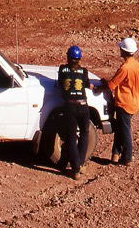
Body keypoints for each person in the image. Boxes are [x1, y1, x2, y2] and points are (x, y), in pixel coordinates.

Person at [97, 37, 139, 166]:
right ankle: (115, 155)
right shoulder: (137, 65)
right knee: (120, 128)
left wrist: (99, 87)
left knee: (124, 130)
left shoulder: (125, 68)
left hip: (124, 103)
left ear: (123, 50)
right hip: (134, 101)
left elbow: (112, 85)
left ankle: (127, 157)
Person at [55, 45, 92, 180]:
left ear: (68, 57)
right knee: (84, 134)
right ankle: (80, 164)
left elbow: (60, 83)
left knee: (71, 137)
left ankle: (76, 169)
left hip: (70, 106)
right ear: (80, 59)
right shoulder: (84, 71)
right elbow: (87, 84)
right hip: (83, 105)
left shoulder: (62, 69)